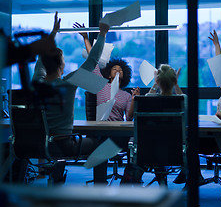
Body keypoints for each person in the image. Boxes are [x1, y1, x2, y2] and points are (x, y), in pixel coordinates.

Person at [32, 12, 110, 176]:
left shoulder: (37, 83)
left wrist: (53, 33)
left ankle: (56, 173)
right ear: (61, 65)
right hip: (63, 145)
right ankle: (100, 189)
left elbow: (41, 59)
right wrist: (102, 33)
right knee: (101, 145)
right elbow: (93, 60)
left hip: (39, 145)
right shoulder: (67, 84)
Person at [173, 30, 221, 184]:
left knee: (191, 143)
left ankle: (190, 174)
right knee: (189, 140)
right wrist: (216, 45)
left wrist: (219, 113)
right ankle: (193, 175)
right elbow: (219, 67)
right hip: (216, 134)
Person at [72, 22, 140, 151]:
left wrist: (133, 99)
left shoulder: (126, 95)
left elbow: (129, 117)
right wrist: (85, 38)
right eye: (114, 69)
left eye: (120, 70)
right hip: (101, 130)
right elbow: (93, 60)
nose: (118, 70)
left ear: (124, 75)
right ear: (109, 75)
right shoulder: (101, 85)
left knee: (126, 142)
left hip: (117, 132)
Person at [121, 64, 186, 185]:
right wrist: (175, 83)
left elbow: (148, 96)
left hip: (147, 152)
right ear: (174, 81)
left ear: (157, 80)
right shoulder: (182, 101)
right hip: (174, 153)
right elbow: (182, 97)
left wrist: (155, 84)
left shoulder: (146, 100)